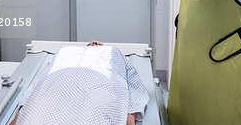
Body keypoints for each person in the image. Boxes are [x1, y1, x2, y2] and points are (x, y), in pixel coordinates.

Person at [9, 42, 149, 125]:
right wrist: (20, 114)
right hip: (58, 80)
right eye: (91, 43)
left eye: (98, 43)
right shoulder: (65, 51)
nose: (94, 43)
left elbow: (131, 82)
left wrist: (129, 118)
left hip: (98, 82)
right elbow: (40, 83)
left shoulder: (112, 52)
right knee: (38, 109)